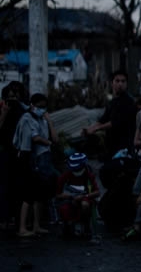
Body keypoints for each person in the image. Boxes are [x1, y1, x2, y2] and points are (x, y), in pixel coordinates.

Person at [13, 93, 58, 238]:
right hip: (28, 158)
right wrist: (48, 142)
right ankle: (22, 228)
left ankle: (36, 225)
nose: (42, 109)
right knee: (28, 194)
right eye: (39, 106)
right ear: (32, 105)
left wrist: (49, 123)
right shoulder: (27, 119)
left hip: (38, 158)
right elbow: (35, 138)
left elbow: (52, 137)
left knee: (38, 193)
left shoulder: (42, 119)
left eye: (44, 106)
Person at [83, 70, 137, 158]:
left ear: (126, 84)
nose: (120, 84)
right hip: (112, 145)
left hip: (125, 147)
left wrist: (96, 129)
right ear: (112, 83)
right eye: (117, 81)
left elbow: (115, 122)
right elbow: (103, 119)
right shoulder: (112, 102)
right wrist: (89, 129)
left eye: (123, 81)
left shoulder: (129, 102)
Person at [0, 82, 28, 230]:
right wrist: (4, 113)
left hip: (20, 154)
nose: (13, 99)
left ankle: (18, 220)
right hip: (5, 153)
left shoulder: (24, 111)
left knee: (18, 187)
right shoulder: (3, 110)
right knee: (4, 187)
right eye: (9, 96)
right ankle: (4, 220)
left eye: (15, 96)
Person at [55, 153, 100, 238]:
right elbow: (58, 195)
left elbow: (97, 192)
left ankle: (86, 226)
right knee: (64, 209)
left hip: (85, 199)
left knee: (85, 205)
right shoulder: (65, 176)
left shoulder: (89, 175)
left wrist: (85, 196)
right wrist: (70, 197)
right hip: (69, 200)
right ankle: (67, 227)